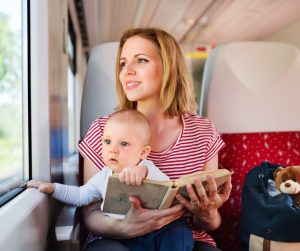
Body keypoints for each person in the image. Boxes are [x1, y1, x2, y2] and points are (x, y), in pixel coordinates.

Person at [79, 28, 232, 251]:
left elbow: (210, 224)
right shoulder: (103, 129)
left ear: (169, 69)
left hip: (181, 238)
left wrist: (208, 214)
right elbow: (90, 213)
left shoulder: (203, 131)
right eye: (123, 63)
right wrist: (126, 228)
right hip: (116, 239)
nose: (127, 71)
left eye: (140, 60)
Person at [27, 108, 194, 251]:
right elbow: (79, 195)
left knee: (179, 234)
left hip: (160, 232)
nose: (113, 150)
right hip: (121, 237)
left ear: (143, 152)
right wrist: (52, 188)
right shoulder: (103, 176)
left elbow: (170, 190)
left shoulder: (147, 168)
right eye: (107, 141)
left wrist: (141, 171)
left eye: (124, 144)